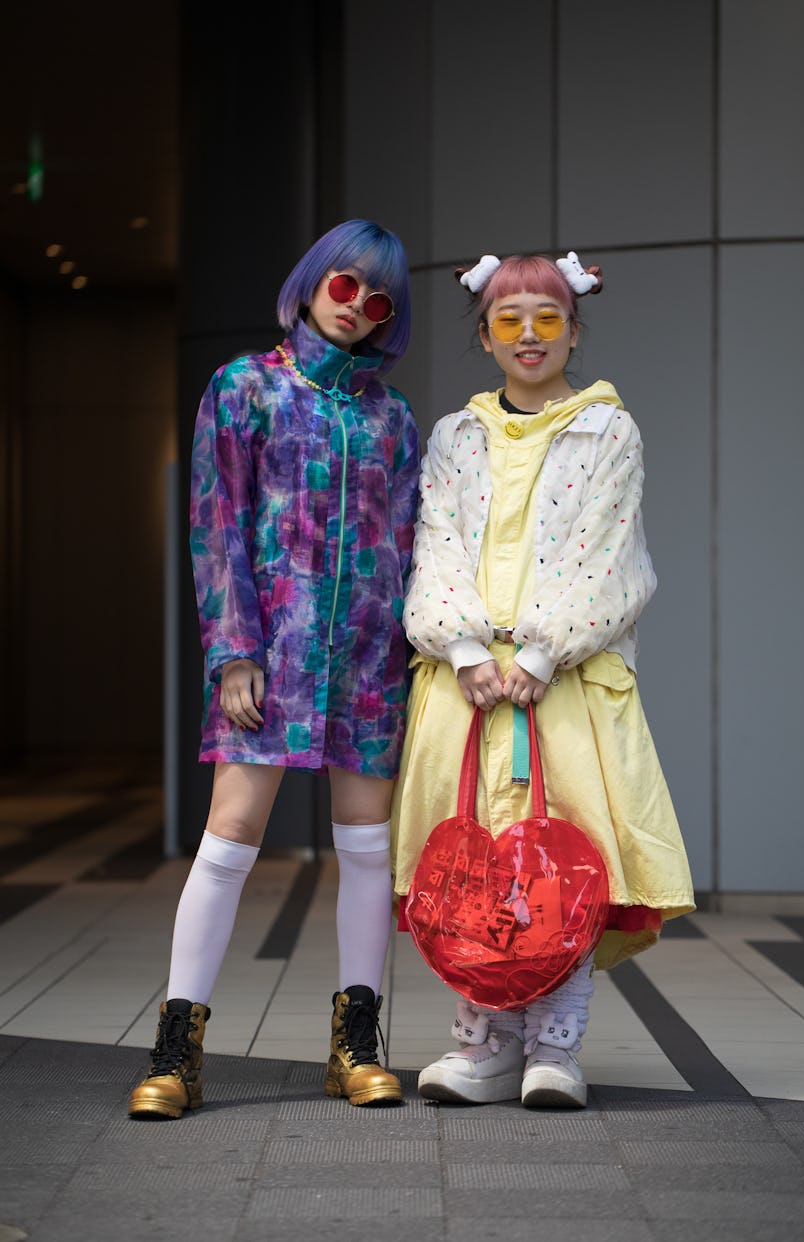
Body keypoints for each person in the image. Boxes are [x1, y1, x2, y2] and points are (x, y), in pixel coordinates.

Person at [129, 220, 420, 1118]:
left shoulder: (392, 418)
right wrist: (233, 651)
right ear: (310, 284)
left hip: (371, 655)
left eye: (378, 301)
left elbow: (413, 546)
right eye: (346, 286)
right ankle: (177, 1052)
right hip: (269, 652)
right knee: (230, 836)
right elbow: (216, 526)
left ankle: (355, 1044)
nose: (358, 309)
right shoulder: (244, 388)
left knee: (367, 846)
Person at [391, 249, 694, 1108]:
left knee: (564, 861)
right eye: (508, 319)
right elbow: (436, 544)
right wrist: (464, 651)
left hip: (564, 687)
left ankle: (555, 1050)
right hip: (468, 687)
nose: (529, 335)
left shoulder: (609, 431)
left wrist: (535, 655)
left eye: (547, 318)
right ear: (484, 336)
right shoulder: (456, 435)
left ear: (573, 330)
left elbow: (606, 554)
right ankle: (481, 1045)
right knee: (469, 861)